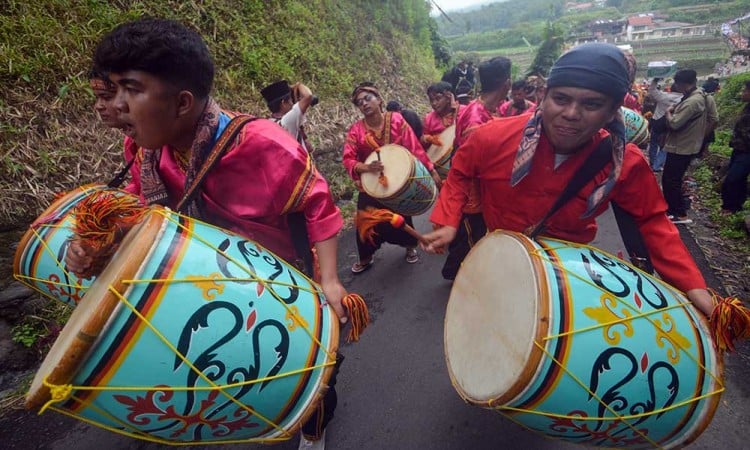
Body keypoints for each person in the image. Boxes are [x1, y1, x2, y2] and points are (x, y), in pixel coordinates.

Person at [65, 18, 348, 450]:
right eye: (111, 90)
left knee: (319, 366)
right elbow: (143, 212)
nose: (115, 105)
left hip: (287, 275)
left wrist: (329, 281)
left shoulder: (261, 143)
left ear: (181, 102)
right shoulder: (144, 151)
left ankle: (316, 424)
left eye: (131, 89)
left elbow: (319, 205)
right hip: (215, 279)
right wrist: (98, 242)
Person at [422, 42, 715, 318]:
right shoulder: (492, 137)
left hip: (568, 272)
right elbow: (460, 172)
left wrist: (692, 284)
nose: (571, 114)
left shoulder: (624, 162)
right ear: (544, 96)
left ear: (613, 110)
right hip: (503, 256)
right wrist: (448, 219)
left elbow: (651, 220)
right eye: (561, 99)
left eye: (591, 104)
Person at [343, 82, 441, 273]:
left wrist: (431, 170)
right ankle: (366, 256)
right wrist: (365, 167)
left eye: (367, 98)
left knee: (402, 215)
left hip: (398, 181)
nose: (364, 103)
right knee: (366, 219)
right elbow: (348, 158)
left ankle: (410, 246)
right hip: (371, 184)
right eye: (359, 102)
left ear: (379, 99)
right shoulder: (356, 130)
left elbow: (414, 148)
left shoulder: (396, 120)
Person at [440, 56, 512, 281]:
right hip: (473, 193)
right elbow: (473, 162)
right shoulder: (475, 118)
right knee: (471, 237)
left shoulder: (483, 108)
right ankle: (458, 274)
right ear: (507, 84)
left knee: (470, 234)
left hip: (480, 190)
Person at [662, 69, 718, 224]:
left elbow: (674, 124)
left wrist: (668, 112)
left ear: (684, 84)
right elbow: (714, 119)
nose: (676, 86)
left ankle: (677, 213)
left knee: (670, 180)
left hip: (680, 146)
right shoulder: (705, 97)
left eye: (677, 84)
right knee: (675, 179)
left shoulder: (693, 102)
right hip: (690, 145)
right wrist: (700, 136)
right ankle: (677, 210)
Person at [261, 79, 316, 153]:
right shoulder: (287, 121)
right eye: (290, 100)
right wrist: (298, 85)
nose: (292, 103)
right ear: (283, 103)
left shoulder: (270, 122)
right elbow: (308, 96)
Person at [721, 80, 750, 214]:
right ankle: (734, 207)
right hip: (739, 149)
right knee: (739, 180)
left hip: (746, 152)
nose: (742, 93)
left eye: (745, 91)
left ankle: (731, 207)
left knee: (733, 179)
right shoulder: (747, 108)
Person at [645, 79, 682, 172]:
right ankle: (657, 166)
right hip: (671, 124)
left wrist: (655, 80)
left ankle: (653, 162)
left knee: (653, 143)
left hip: (657, 123)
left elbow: (652, 90)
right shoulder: (683, 99)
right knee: (666, 146)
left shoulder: (663, 96)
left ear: (671, 89)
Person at [422, 81, 462, 149]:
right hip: (438, 156)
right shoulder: (429, 119)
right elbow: (422, 144)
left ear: (448, 98)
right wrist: (428, 139)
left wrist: (455, 112)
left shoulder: (464, 111)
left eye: (438, 99)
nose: (434, 103)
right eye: (431, 100)